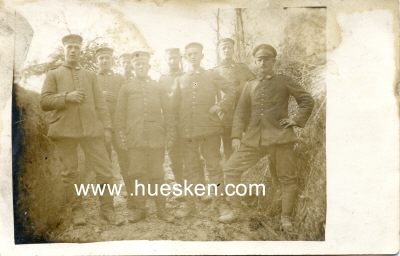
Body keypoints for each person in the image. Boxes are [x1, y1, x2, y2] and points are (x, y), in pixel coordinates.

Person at [220, 44, 314, 231]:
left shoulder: (284, 80)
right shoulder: (249, 85)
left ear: (273, 61)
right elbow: (240, 113)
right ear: (255, 62)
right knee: (230, 169)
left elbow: (307, 100)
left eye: (267, 59)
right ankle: (236, 210)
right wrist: (236, 136)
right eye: (259, 59)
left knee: (287, 178)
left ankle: (285, 218)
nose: (263, 63)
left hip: (280, 138)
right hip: (254, 140)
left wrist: (295, 120)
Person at [40, 34, 117, 225]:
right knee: (70, 173)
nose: (73, 50)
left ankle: (107, 209)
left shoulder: (90, 76)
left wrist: (106, 128)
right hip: (64, 130)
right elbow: (44, 101)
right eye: (69, 47)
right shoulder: (54, 74)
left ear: (81, 50)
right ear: (64, 50)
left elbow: (100, 104)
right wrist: (66, 97)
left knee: (105, 171)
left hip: (92, 130)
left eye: (76, 47)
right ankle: (77, 211)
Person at [171, 42, 236, 219]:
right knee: (190, 167)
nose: (193, 56)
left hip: (210, 129)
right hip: (188, 132)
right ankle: (190, 204)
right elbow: (173, 107)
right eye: (190, 54)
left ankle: (221, 204)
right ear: (186, 57)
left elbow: (232, 90)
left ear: (202, 56)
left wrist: (220, 105)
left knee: (214, 166)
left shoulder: (212, 75)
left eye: (196, 53)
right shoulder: (179, 79)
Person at [114, 51, 174, 223]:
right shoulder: (126, 88)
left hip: (156, 138)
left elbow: (168, 112)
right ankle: (141, 210)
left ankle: (162, 209)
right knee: (138, 173)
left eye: (144, 64)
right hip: (135, 139)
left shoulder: (158, 86)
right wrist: (122, 138)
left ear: (148, 66)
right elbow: (119, 116)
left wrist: (169, 135)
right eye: (137, 65)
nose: (141, 67)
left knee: (157, 174)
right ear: (133, 67)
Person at [95, 47, 129, 199]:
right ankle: (106, 202)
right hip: (100, 128)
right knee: (103, 165)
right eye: (101, 58)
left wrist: (113, 98)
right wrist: (100, 96)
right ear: (97, 61)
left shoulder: (120, 79)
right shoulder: (92, 79)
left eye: (107, 57)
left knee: (125, 161)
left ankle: (133, 196)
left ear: (112, 60)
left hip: (118, 126)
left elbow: (127, 101)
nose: (104, 60)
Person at [213, 38, 255, 160]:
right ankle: (231, 174)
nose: (227, 50)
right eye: (223, 48)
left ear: (233, 50)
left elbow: (255, 84)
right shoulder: (214, 71)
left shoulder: (243, 68)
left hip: (244, 113)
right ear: (219, 51)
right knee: (228, 148)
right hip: (226, 115)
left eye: (229, 47)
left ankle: (248, 173)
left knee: (246, 146)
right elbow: (199, 86)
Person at [158, 48, 184, 186]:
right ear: (166, 60)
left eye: (176, 58)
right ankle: (180, 185)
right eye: (170, 58)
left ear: (180, 58)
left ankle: (199, 188)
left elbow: (196, 86)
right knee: (174, 155)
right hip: (170, 122)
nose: (173, 61)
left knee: (192, 155)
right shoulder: (162, 80)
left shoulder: (188, 76)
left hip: (187, 120)